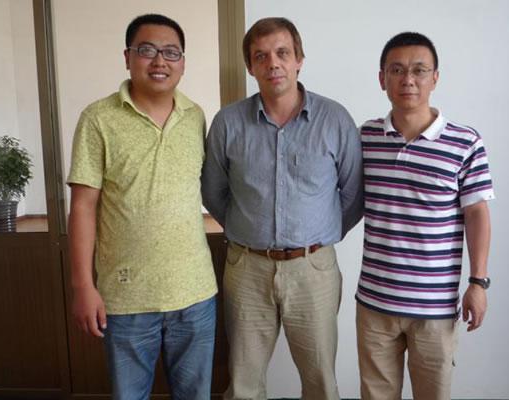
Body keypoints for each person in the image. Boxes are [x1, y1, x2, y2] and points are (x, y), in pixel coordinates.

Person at [202, 17, 363, 400]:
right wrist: (247, 229)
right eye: (261, 56)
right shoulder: (228, 123)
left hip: (314, 270)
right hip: (247, 268)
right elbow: (213, 192)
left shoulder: (334, 120)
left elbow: (354, 194)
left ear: (298, 60)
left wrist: (318, 235)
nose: (272, 63)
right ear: (250, 66)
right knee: (243, 383)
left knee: (320, 382)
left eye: (282, 53)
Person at [67, 13, 217, 400]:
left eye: (171, 52)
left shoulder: (195, 116)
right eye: (147, 50)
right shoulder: (98, 118)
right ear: (127, 57)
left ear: (183, 62)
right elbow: (83, 206)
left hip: (195, 294)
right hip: (126, 298)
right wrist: (83, 285)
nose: (160, 61)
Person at [355, 32, 495, 400]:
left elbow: (477, 213)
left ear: (435, 78)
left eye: (419, 70)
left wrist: (478, 283)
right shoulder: (364, 137)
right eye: (397, 70)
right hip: (375, 303)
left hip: (434, 307)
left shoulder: (465, 142)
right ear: (382, 78)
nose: (408, 80)